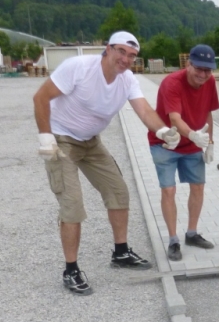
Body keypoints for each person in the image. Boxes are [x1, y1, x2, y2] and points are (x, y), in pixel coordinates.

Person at [33, 31, 181, 295]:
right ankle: (71, 270)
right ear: (108, 49)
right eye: (121, 51)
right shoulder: (79, 68)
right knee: (72, 205)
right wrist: (45, 136)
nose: (125, 59)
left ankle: (121, 253)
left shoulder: (127, 80)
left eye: (132, 55)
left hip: (91, 142)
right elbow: (40, 97)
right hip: (61, 139)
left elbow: (145, 111)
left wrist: (163, 132)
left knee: (118, 191)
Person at [148, 44, 219, 261]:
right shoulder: (172, 83)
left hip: (192, 144)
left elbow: (207, 113)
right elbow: (174, 119)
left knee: (198, 187)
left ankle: (191, 233)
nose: (203, 74)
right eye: (198, 68)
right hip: (165, 143)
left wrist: (210, 143)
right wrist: (193, 135)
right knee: (168, 191)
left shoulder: (210, 82)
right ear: (188, 64)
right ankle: (173, 240)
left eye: (208, 70)